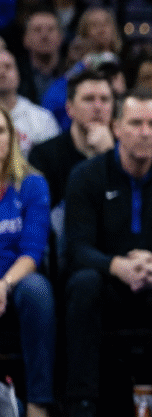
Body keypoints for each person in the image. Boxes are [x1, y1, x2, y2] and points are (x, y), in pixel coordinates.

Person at [64, 87, 152, 417]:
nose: (145, 132)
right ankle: (82, 403)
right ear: (116, 128)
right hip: (108, 284)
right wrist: (117, 266)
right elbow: (77, 247)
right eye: (136, 123)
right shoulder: (86, 176)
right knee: (83, 283)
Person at [0, 106, 55, 417]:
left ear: (12, 138)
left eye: (0, 131)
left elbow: (32, 252)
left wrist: (4, 284)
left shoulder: (32, 184)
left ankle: (37, 404)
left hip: (17, 279)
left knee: (37, 289)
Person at [28, 68, 115, 208]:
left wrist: (109, 156)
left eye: (105, 99)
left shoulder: (126, 152)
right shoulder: (43, 156)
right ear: (69, 109)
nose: (98, 107)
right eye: (88, 99)